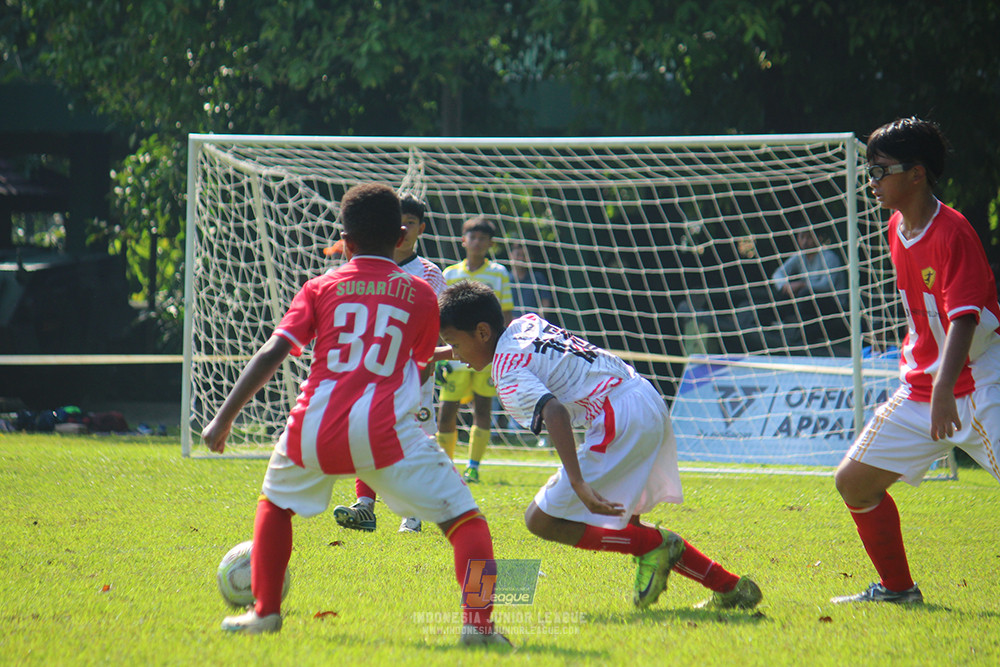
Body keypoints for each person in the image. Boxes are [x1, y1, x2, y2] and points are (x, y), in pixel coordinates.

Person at [202, 183, 509, 646]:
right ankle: (479, 628)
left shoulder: (321, 286)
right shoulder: (422, 294)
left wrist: (223, 418)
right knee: (467, 522)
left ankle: (264, 611)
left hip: (314, 426)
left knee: (275, 506)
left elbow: (273, 351)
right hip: (388, 433)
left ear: (343, 239)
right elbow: (420, 361)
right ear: (401, 233)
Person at [437, 280, 763, 611]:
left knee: (540, 520)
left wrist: (577, 482)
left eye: (454, 345)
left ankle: (659, 547)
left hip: (618, 418)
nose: (456, 356)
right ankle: (732, 588)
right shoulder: (525, 324)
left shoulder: (506, 371)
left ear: (481, 333)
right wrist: (433, 354)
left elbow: (554, 411)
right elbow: (486, 345)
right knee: (627, 523)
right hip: (643, 397)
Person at [831, 117, 1000, 604]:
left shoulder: (954, 231)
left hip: (977, 385)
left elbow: (965, 318)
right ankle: (898, 590)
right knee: (854, 482)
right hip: (924, 388)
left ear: (917, 174)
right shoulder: (895, 226)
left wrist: (945, 390)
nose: (873, 181)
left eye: (882, 170)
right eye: (871, 170)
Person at [332, 192, 446, 535]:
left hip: (414, 371)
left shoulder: (429, 273)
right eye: (399, 222)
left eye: (410, 222)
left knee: (414, 438)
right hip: (372, 368)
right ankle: (365, 506)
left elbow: (434, 326)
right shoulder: (365, 267)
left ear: (420, 228)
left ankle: (413, 512)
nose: (404, 228)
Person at [438, 216, 514, 483]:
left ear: (490, 243)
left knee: (482, 409)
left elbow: (506, 313)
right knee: (447, 411)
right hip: (455, 355)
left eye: (483, 238)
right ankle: (445, 466)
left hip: (485, 355)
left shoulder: (499, 273)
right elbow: (442, 318)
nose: (477, 242)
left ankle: (473, 467)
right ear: (463, 240)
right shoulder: (449, 274)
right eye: (473, 237)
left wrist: (499, 351)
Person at [508, 241, 554, 320]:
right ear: (510, 255)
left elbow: (546, 302)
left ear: (531, 257)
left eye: (525, 255)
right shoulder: (504, 278)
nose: (522, 259)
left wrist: (535, 321)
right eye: (518, 255)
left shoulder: (538, 278)